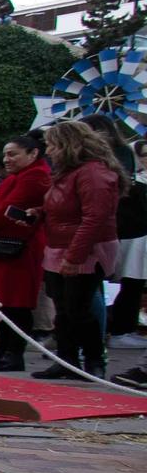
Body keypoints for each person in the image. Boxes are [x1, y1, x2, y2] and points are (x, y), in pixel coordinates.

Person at [32, 116, 122, 380]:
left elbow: (95, 218)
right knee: (63, 308)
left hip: (83, 248)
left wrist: (75, 256)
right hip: (60, 245)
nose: (48, 151)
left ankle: (94, 361)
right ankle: (67, 359)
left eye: (53, 145)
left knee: (79, 309)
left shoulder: (94, 173)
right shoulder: (69, 172)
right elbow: (64, 208)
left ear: (69, 145)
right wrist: (38, 213)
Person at [0, 132, 50, 371]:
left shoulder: (35, 177)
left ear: (33, 153)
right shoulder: (20, 176)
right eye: (6, 154)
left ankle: (12, 353)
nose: (7, 159)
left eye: (13, 154)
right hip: (5, 245)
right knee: (5, 302)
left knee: (16, 303)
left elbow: (5, 210)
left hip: (19, 247)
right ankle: (3, 350)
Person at [111, 137, 147, 348]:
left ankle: (127, 327)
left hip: (139, 239)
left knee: (136, 285)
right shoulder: (133, 183)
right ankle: (120, 329)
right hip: (134, 240)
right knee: (130, 282)